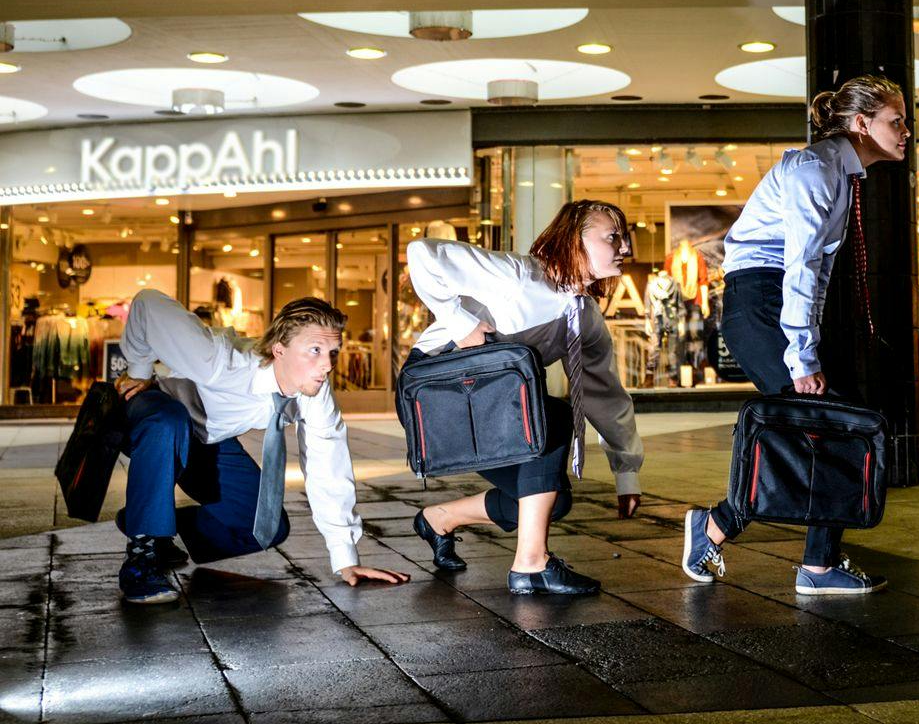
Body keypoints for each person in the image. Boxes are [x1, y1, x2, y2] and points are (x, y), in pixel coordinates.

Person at [682, 75, 909, 596]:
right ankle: (799, 559)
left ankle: (743, 537)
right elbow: (801, 267)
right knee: (827, 425)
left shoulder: (835, 172)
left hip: (767, 302)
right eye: (896, 121)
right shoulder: (815, 169)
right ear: (861, 124)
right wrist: (802, 354)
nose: (906, 132)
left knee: (829, 427)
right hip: (762, 303)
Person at [404, 201, 645, 597]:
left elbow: (605, 393)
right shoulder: (517, 276)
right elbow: (424, 253)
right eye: (612, 237)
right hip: (434, 396)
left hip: (490, 408)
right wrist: (460, 322)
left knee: (551, 501)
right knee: (551, 421)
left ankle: (439, 519)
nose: (624, 247)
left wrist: (627, 471)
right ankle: (530, 566)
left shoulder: (583, 316)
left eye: (623, 237)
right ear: (574, 240)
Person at [110, 290, 410, 604]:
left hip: (207, 438)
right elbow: (147, 302)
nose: (328, 365)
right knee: (169, 420)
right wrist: (139, 371)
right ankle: (140, 560)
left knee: (266, 527)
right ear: (279, 350)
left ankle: (150, 521)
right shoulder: (217, 359)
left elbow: (328, 467)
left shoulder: (314, 394)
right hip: (152, 414)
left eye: (333, 352)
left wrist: (346, 558)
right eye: (315, 350)